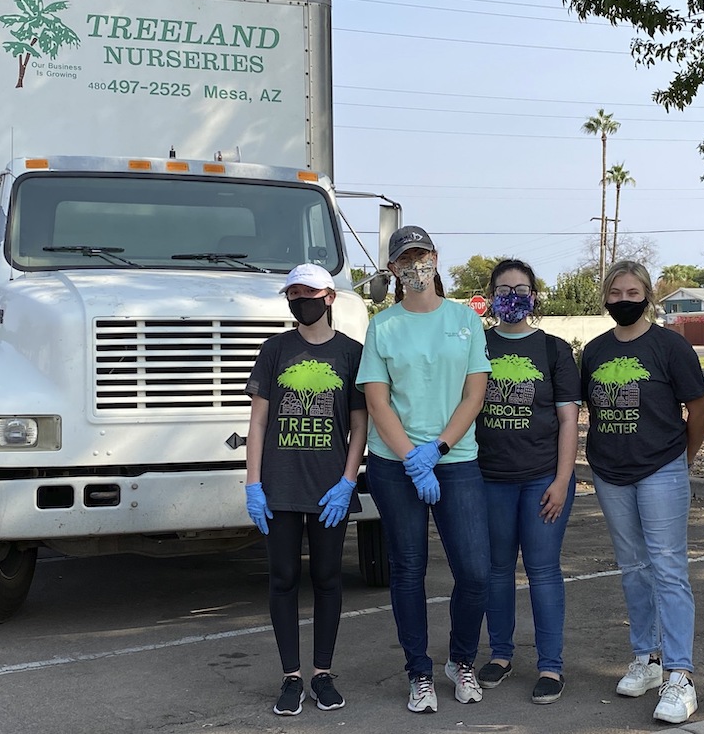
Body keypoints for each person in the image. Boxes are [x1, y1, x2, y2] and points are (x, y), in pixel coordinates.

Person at [356, 225, 492, 714]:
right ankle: (419, 671)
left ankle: (461, 660)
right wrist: (413, 460)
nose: (415, 264)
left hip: (455, 460)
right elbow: (377, 398)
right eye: (405, 258)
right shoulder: (383, 326)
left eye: (422, 254)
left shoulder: (465, 320)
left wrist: (436, 449)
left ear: (436, 258)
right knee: (408, 569)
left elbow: (474, 393)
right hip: (395, 464)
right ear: (393, 269)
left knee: (475, 571)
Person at [580, 260, 704, 725]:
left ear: (648, 295)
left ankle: (681, 675)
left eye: (632, 292)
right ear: (605, 298)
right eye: (615, 293)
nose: (623, 300)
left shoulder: (671, 347)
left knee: (669, 569)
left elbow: (699, 409)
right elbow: (589, 410)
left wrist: (683, 459)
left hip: (661, 470)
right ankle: (647, 659)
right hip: (610, 472)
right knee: (634, 569)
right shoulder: (594, 351)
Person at [244, 263, 368, 717]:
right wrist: (253, 483)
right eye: (293, 293)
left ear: (330, 298)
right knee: (282, 580)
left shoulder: (352, 353)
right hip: (279, 487)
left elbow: (359, 425)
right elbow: (258, 421)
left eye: (308, 292)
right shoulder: (274, 350)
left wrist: (347, 481)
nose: (300, 299)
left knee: (329, 579)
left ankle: (322, 673)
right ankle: (291, 677)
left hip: (328, 489)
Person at [474, 259, 581, 705]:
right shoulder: (475, 346)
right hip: (488, 479)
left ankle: (550, 665)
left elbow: (569, 419)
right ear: (491, 295)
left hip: (542, 479)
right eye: (503, 288)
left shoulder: (554, 350)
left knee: (542, 571)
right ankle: (500, 655)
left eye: (521, 288)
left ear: (535, 295)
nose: (512, 296)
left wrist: (562, 479)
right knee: (496, 571)